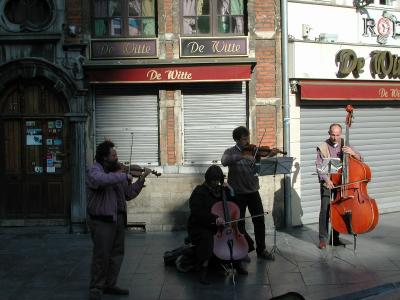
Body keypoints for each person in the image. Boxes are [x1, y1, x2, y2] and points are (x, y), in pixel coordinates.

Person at [86, 140, 151, 300]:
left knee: (117, 254)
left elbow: (128, 194)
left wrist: (140, 179)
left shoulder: (117, 173)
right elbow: (100, 180)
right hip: (102, 220)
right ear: (104, 157)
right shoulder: (95, 169)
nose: (117, 158)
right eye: (114, 155)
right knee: (102, 255)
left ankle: (110, 284)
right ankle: (96, 287)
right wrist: (123, 174)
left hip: (119, 219)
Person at [221, 126, 279, 260]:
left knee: (259, 221)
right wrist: (242, 157)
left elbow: (264, 156)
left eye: (248, 138)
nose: (247, 141)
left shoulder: (254, 151)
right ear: (236, 139)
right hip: (238, 194)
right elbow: (224, 161)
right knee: (239, 224)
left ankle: (261, 250)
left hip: (253, 192)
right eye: (244, 139)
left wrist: (270, 154)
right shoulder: (230, 151)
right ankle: (243, 250)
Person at [187, 165, 248, 284]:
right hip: (201, 225)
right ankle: (203, 269)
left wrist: (231, 191)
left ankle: (237, 262)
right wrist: (215, 218)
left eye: (217, 180)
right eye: (213, 181)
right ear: (207, 179)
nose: (215, 183)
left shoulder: (222, 190)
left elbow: (237, 204)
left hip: (222, 226)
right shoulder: (199, 191)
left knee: (241, 234)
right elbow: (197, 212)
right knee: (207, 239)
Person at [315, 123, 362, 249]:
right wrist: (326, 179)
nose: (335, 138)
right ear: (329, 133)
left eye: (337, 135)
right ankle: (322, 239)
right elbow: (319, 166)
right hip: (328, 182)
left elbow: (360, 159)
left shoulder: (345, 144)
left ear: (340, 134)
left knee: (338, 210)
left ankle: (334, 238)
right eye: (332, 135)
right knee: (325, 210)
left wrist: (352, 152)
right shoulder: (323, 146)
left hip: (342, 183)